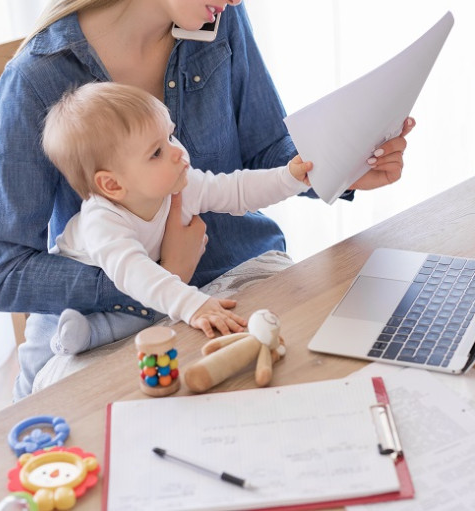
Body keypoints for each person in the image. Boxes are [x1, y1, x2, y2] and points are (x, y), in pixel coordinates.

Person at [0, 0, 414, 400]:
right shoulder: (40, 77)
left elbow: (265, 149)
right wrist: (158, 275)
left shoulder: (220, 23)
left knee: (345, 386)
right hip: (117, 316)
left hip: (246, 275)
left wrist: (347, 167)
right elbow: (3, 271)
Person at [38, 81, 311, 374]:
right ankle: (72, 341)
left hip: (130, 299)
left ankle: (90, 333)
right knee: (37, 359)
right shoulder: (102, 220)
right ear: (113, 184)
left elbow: (236, 190)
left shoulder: (180, 183)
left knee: (145, 313)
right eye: (156, 152)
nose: (178, 152)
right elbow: (134, 271)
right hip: (64, 307)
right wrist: (193, 305)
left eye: (170, 135)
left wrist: (288, 178)